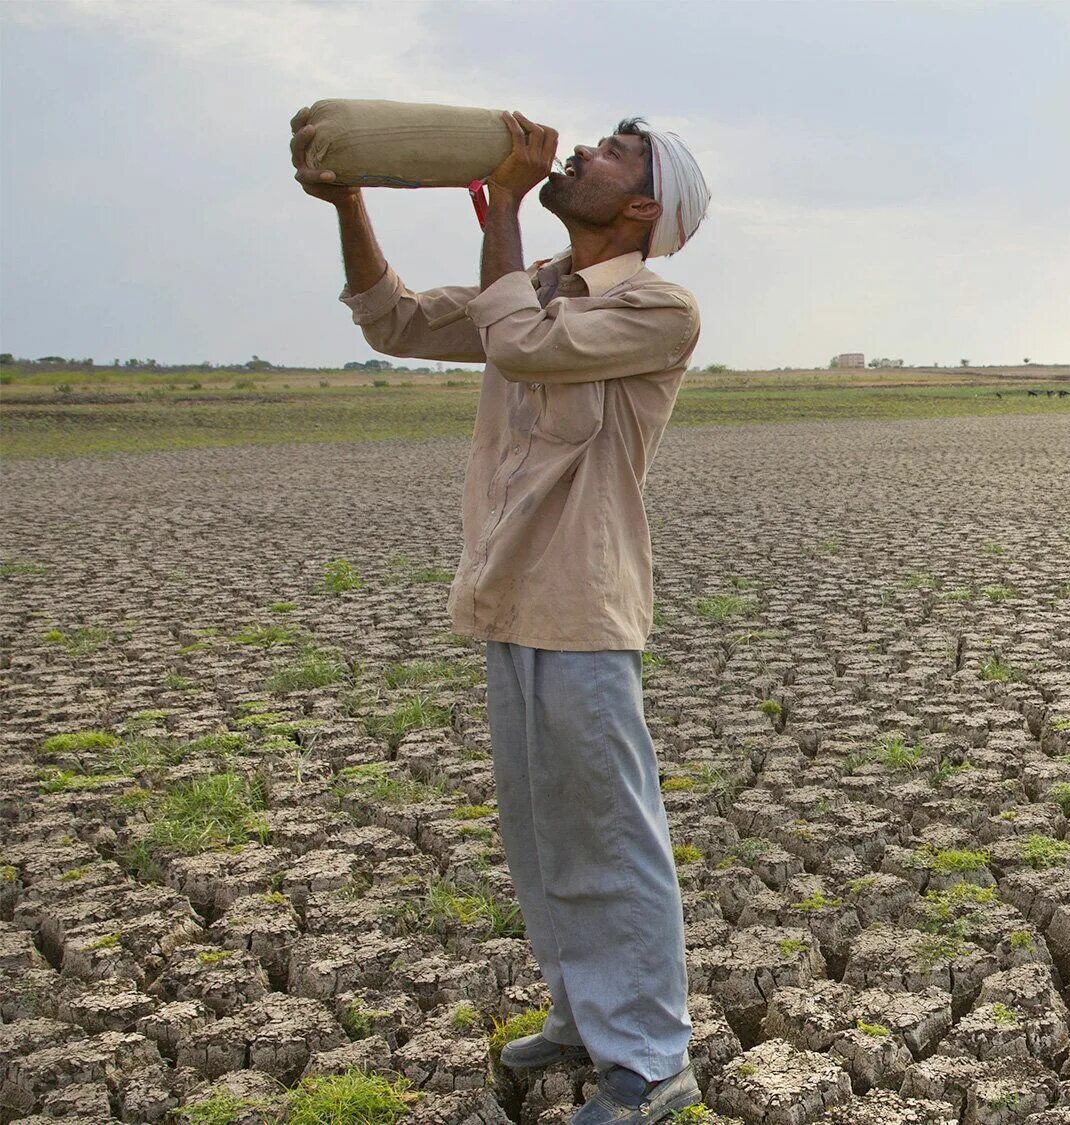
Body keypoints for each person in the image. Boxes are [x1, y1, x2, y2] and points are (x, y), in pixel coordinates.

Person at [291, 107, 711, 1125]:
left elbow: (517, 347)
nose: (581, 154)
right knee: (542, 836)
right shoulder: (529, 289)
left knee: (610, 835)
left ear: (645, 204)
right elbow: (390, 318)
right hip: (510, 598)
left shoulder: (657, 306)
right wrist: (350, 200)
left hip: (582, 602)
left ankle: (652, 1060)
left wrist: (510, 200)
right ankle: (582, 1016)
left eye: (612, 153)